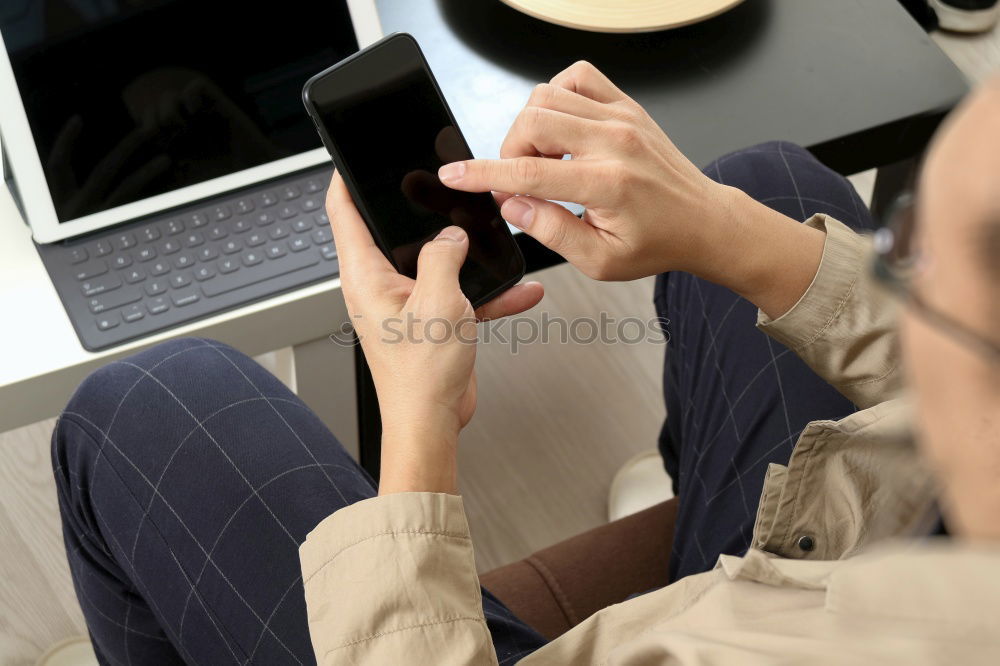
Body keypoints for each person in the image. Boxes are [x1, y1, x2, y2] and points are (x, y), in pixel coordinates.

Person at [52, 62, 999, 665]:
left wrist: (417, 432)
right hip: (844, 564)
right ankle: (698, 517)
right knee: (768, 185)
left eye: (929, 263)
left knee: (150, 404)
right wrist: (725, 230)